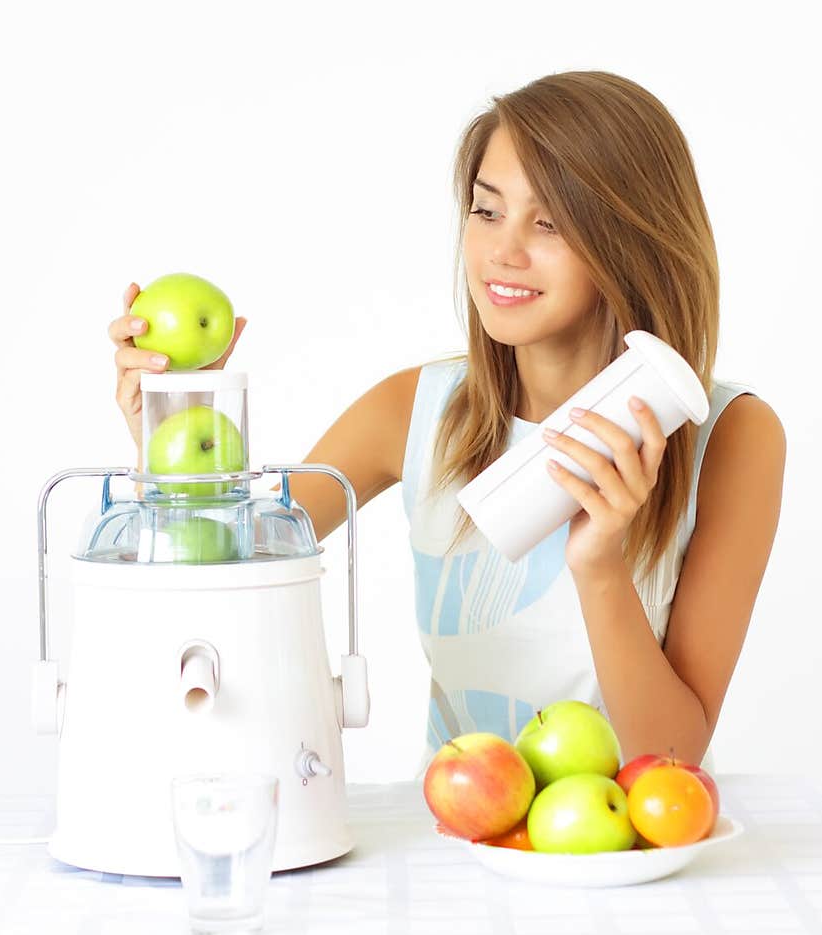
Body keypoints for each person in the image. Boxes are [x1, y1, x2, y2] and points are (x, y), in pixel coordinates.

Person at [108, 70, 786, 777]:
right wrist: (170, 426)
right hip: (456, 853)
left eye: (549, 222)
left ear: (630, 241)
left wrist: (599, 566)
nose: (503, 251)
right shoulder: (413, 413)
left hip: (628, 862)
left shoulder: (732, 439)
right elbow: (223, 564)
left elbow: (671, 762)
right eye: (486, 211)